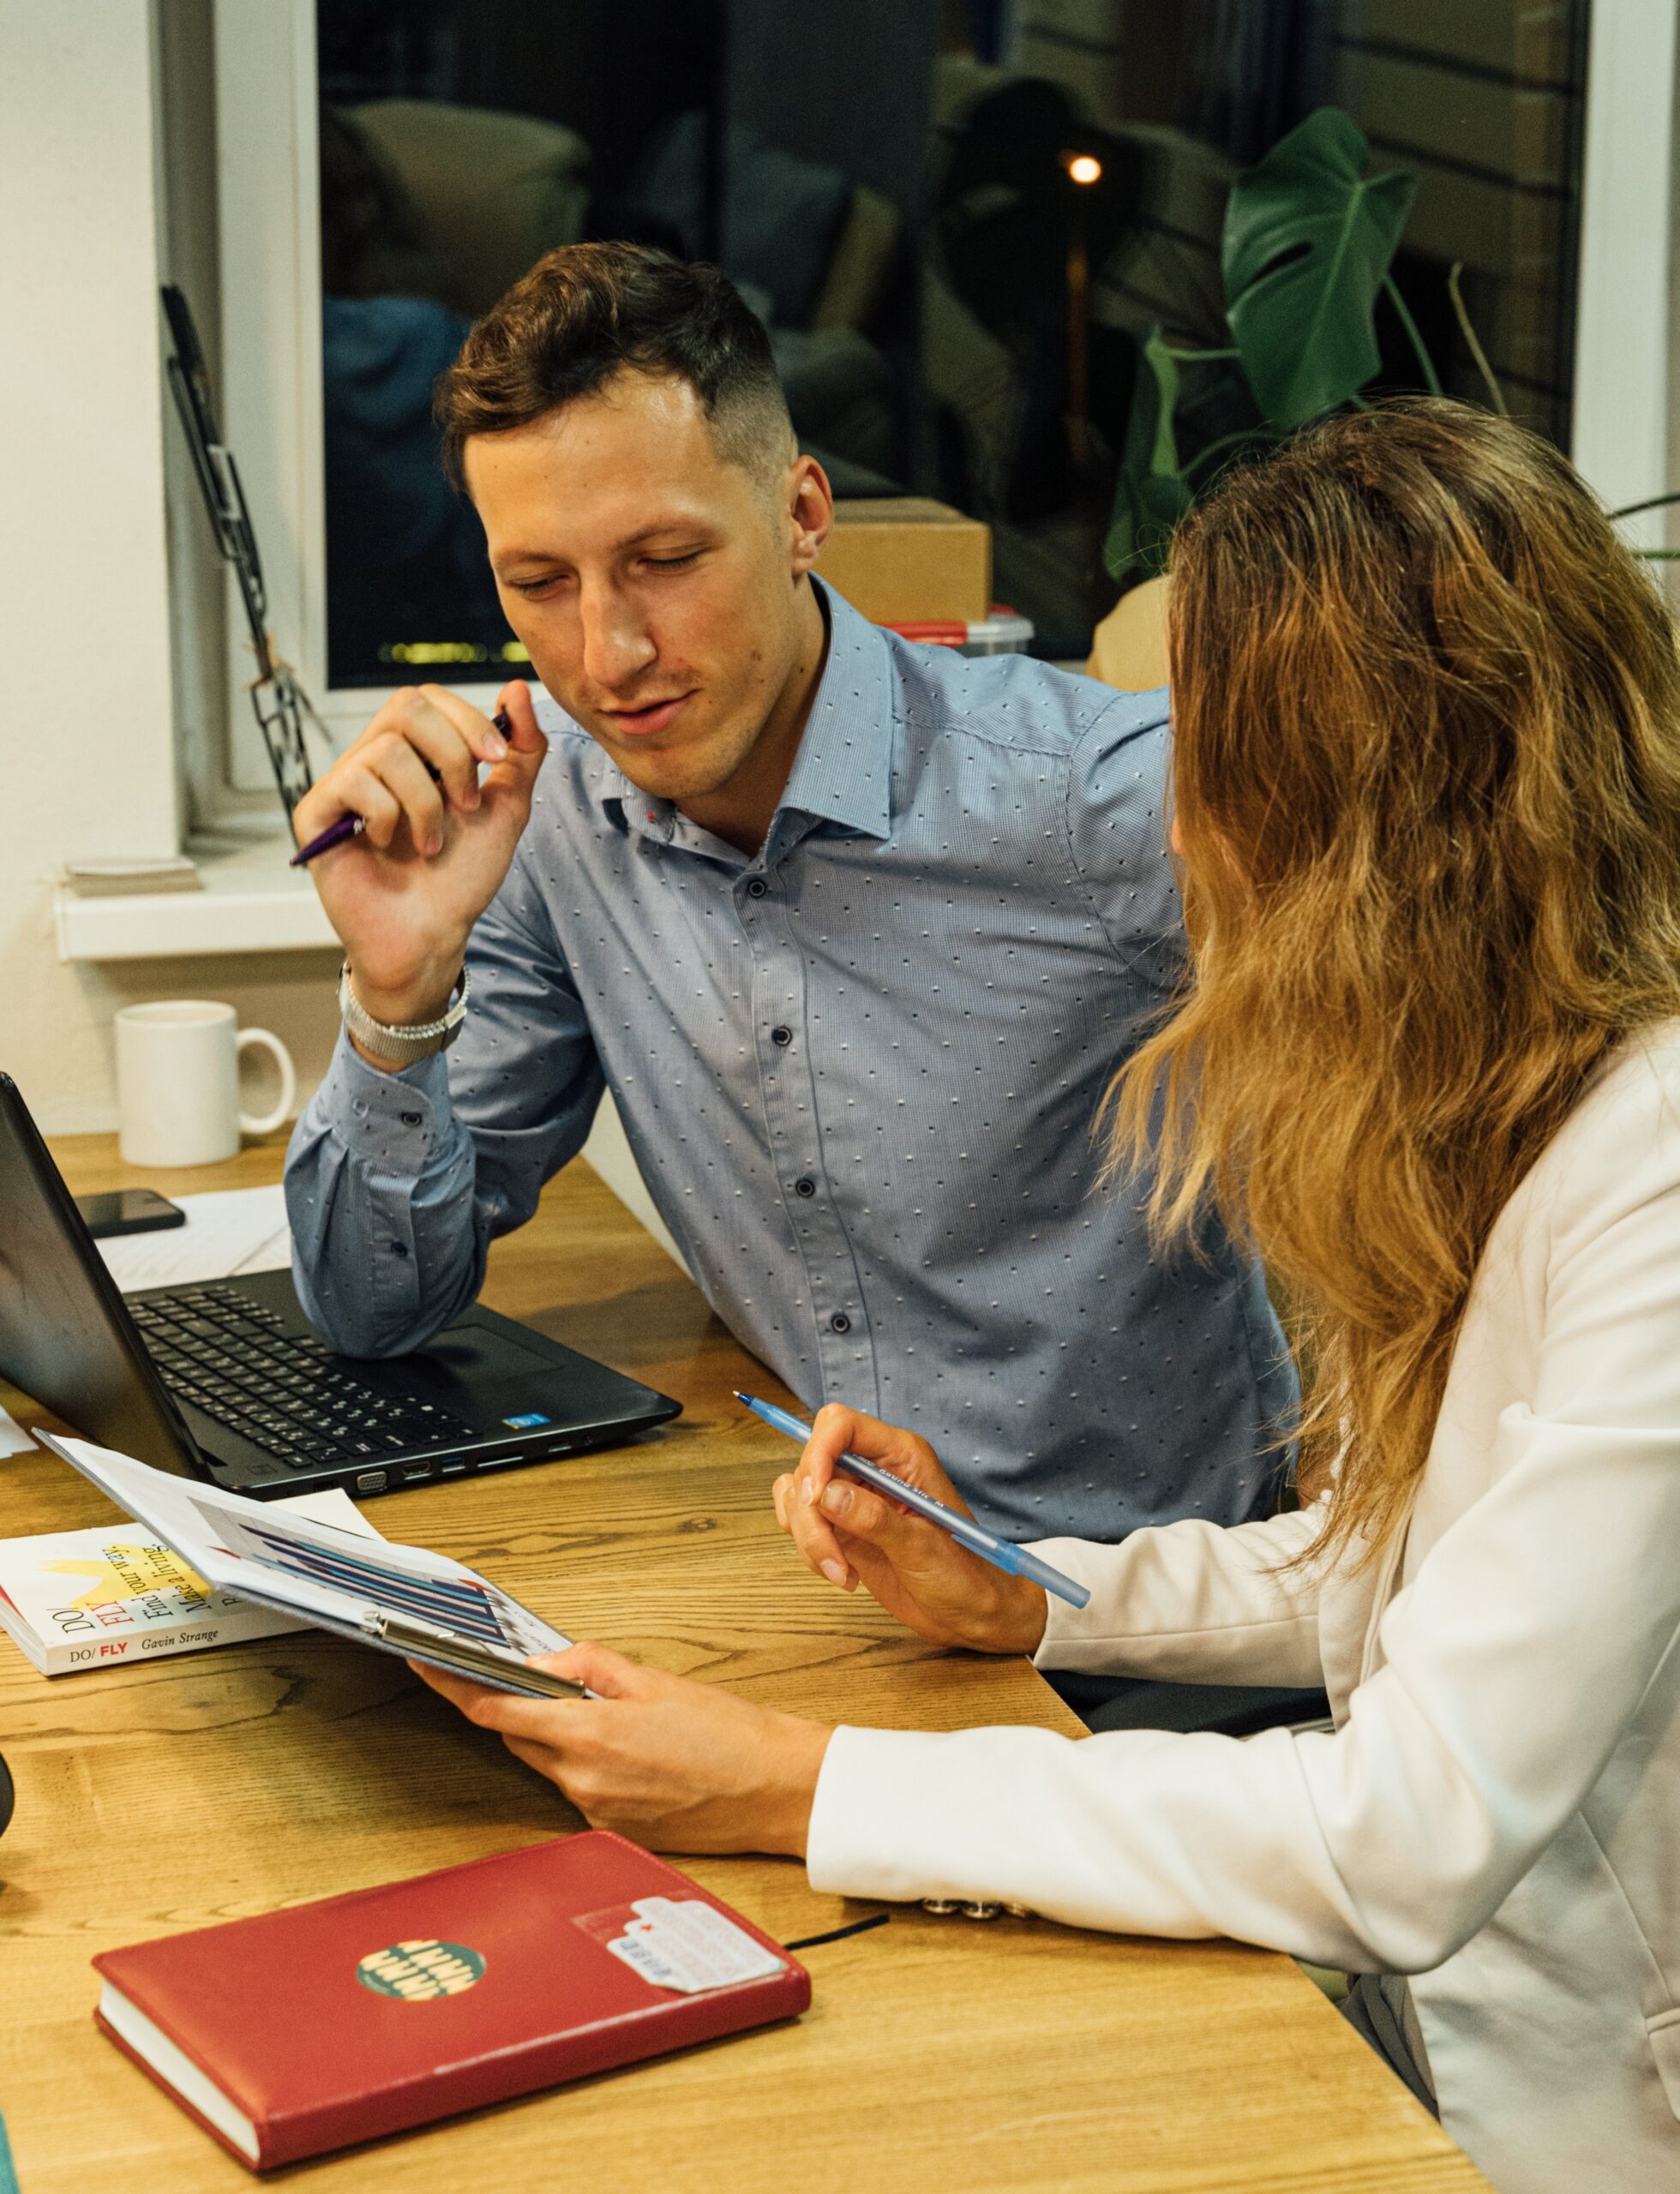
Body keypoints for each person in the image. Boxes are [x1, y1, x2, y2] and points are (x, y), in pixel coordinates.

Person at [412, 399, 1680, 2194]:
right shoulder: (1489, 1091)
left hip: (1550, 2114)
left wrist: (801, 1782)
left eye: (1218, 770)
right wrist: (1030, 1593)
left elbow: (1403, 1826)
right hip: (1418, 2016)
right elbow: (1397, 1563)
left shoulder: (1650, 1171)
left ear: (1376, 806)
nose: (1189, 831)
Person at [285, 242, 1295, 1549]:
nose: (610, 653)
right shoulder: (550, 824)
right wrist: (397, 990)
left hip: (1140, 1636)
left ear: (804, 514)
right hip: (829, 1586)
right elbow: (372, 1309)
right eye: (541, 582)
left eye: (664, 557)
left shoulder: (1096, 799)